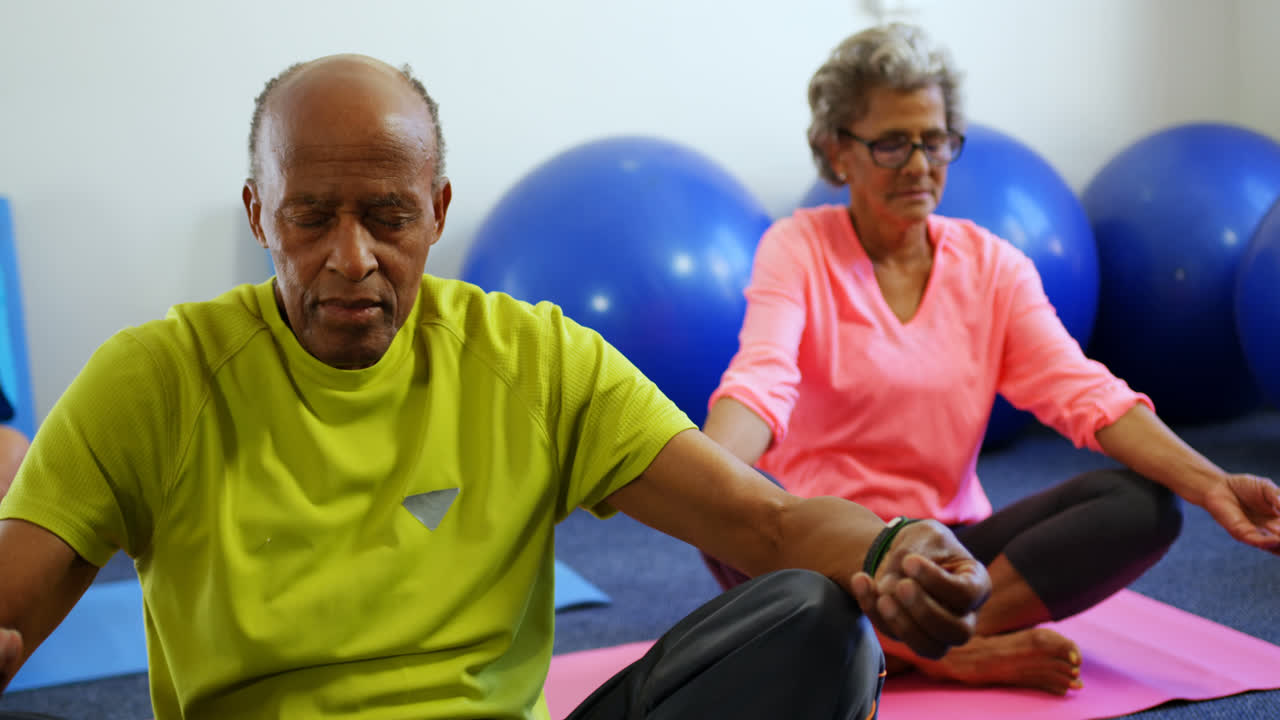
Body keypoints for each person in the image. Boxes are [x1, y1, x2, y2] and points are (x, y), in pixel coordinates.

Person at [0, 54, 992, 720]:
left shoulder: (533, 360)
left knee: (818, 630)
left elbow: (762, 524)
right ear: (260, 212)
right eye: (310, 218)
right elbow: (16, 598)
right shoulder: (153, 381)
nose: (350, 258)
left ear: (434, 211)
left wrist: (891, 546)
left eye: (386, 216)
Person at [700, 22, 1280, 696]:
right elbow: (761, 379)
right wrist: (707, 477)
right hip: (829, 545)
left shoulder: (992, 265)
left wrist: (1211, 483)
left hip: (951, 558)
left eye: (936, 140)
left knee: (1144, 505)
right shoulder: (797, 247)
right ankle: (937, 645)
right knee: (727, 511)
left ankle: (933, 641)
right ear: (837, 152)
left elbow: (1084, 391)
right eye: (891, 143)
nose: (919, 165)